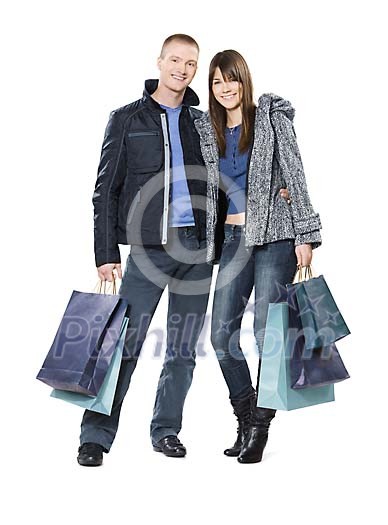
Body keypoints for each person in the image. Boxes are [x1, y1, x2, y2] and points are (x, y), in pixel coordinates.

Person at [77, 34, 213, 466]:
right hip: (147, 249)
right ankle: (95, 436)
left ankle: (166, 431)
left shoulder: (202, 123)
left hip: (197, 250)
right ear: (159, 61)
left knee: (182, 351)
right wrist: (105, 253)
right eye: (175, 60)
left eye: (191, 63)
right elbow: (105, 192)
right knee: (122, 345)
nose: (182, 69)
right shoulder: (126, 119)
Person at [194, 50, 322, 463]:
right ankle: (246, 413)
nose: (224, 88)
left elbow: (295, 174)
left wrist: (306, 234)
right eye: (215, 82)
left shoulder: (270, 117)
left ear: (243, 80)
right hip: (232, 239)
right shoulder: (207, 129)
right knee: (220, 337)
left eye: (230, 79)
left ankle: (260, 428)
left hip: (276, 238)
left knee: (270, 334)